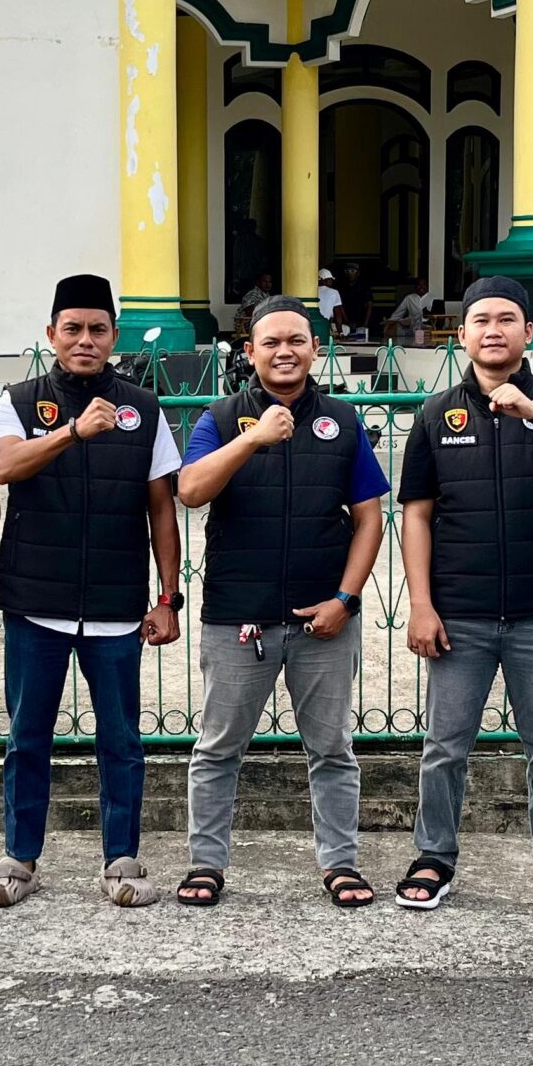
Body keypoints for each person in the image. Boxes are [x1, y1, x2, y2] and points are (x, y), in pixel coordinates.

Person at [394, 277, 533, 912]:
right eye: (481, 320)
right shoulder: (436, 414)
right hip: (459, 614)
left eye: (507, 319)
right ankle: (434, 856)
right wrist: (421, 605)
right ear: (461, 335)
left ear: (528, 333)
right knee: (445, 746)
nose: (494, 330)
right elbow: (416, 514)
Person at [0, 274, 184, 910]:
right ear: (51, 334)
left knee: (121, 740)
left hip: (117, 606)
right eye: (73, 329)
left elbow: (162, 508)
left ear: (114, 336)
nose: (85, 340)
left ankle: (122, 858)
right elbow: (3, 467)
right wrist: (72, 432)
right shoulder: (19, 401)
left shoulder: (143, 409)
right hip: (36, 602)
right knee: (27, 737)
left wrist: (168, 597)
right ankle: (19, 858)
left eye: (97, 329)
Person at [175, 297, 389, 907]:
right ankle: (206, 864)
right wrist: (254, 439)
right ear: (250, 352)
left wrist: (345, 598)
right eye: (270, 342)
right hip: (239, 617)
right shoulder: (220, 418)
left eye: (297, 340)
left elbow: (370, 519)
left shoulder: (342, 421)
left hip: (324, 619)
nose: (284, 351)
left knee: (332, 749)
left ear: (315, 349)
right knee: (219, 748)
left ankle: (340, 864)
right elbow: (191, 490)